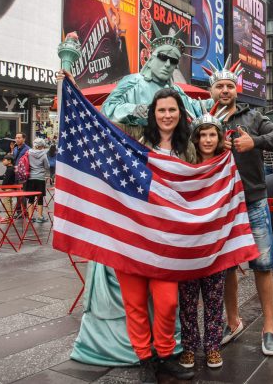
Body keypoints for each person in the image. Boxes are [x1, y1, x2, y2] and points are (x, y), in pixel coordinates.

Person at [67, 27, 204, 368]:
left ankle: (165, 349)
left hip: (166, 204)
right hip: (129, 192)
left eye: (174, 60)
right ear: (150, 57)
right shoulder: (131, 83)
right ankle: (143, 355)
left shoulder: (178, 96)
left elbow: (200, 128)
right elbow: (109, 114)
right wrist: (137, 111)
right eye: (163, 58)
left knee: (167, 297)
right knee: (129, 291)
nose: (169, 64)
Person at [205, 60, 273, 357]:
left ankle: (269, 328)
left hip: (253, 200)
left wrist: (253, 142)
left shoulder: (253, 116)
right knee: (226, 266)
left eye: (229, 86)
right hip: (221, 205)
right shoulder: (204, 119)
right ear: (211, 90)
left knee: (263, 265)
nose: (225, 90)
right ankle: (232, 321)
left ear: (236, 89)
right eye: (220, 86)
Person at [118, 89, 196, 382]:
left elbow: (201, 181)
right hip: (134, 235)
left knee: (167, 303)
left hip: (168, 240)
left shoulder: (187, 147)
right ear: (153, 114)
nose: (166, 115)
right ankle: (145, 360)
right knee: (135, 302)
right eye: (161, 110)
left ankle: (165, 354)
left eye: (172, 110)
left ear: (180, 113)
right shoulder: (136, 140)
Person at [178, 108, 228, 370]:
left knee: (213, 300)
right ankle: (188, 347)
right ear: (196, 139)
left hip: (216, 244)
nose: (208, 140)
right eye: (203, 135)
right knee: (187, 301)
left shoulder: (227, 163)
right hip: (189, 244)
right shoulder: (185, 165)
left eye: (212, 135)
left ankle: (212, 347)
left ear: (218, 138)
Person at [26, 138, 50, 223]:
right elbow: (47, 166)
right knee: (40, 198)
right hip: (40, 178)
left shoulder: (28, 153)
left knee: (31, 198)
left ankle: (30, 216)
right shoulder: (43, 154)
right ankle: (40, 217)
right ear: (41, 146)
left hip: (30, 178)